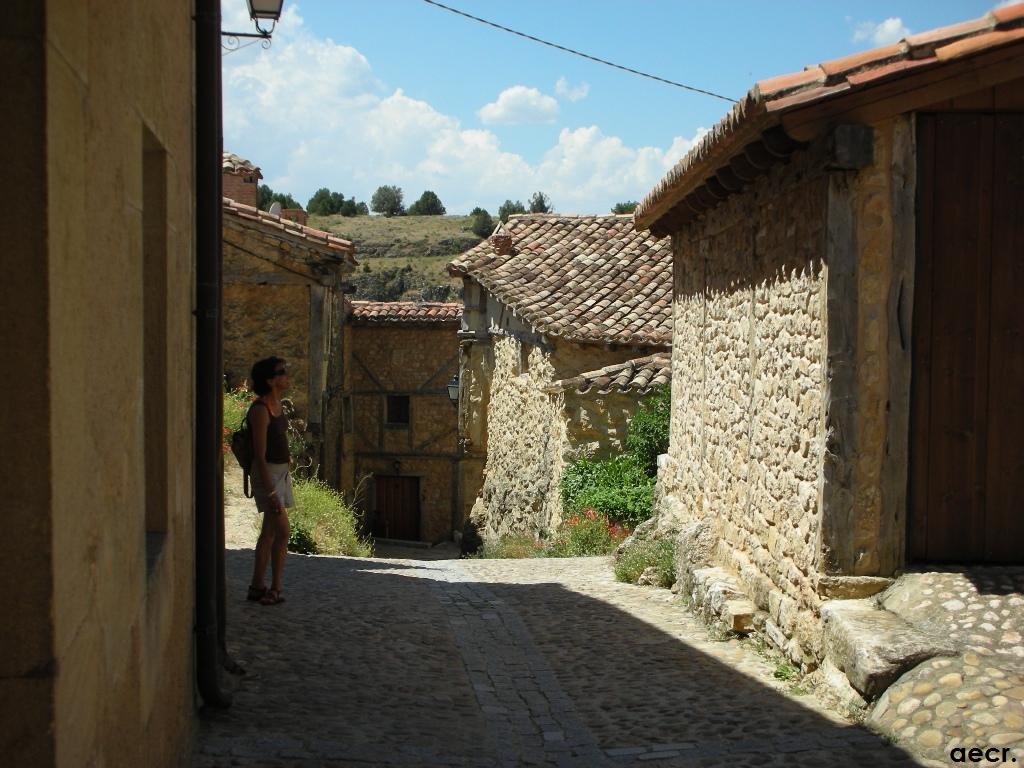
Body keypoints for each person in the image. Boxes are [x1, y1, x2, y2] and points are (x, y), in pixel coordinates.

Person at [246, 356, 293, 606]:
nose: (287, 375)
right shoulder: (260, 410)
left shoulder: (277, 405)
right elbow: (260, 456)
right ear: (270, 380)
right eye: (282, 372)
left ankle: (256, 586)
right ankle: (274, 588)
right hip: (269, 476)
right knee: (283, 531)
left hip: (281, 473)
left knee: (269, 533)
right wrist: (271, 492)